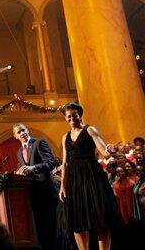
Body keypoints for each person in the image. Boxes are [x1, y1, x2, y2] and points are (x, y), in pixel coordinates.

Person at [58, 103, 121, 250]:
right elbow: (64, 162)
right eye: (69, 116)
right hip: (73, 181)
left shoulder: (90, 129)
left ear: (80, 115)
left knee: (101, 219)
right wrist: (62, 186)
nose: (72, 118)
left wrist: (110, 149)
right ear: (65, 119)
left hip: (92, 176)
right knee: (78, 221)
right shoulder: (64, 137)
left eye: (75, 115)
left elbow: (104, 151)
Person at [13, 123, 57, 250]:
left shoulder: (39, 143)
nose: (22, 133)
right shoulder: (19, 152)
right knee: (40, 229)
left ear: (27, 130)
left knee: (51, 228)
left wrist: (32, 168)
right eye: (18, 132)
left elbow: (50, 163)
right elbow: (23, 169)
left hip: (47, 192)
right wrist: (19, 172)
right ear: (15, 136)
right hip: (33, 194)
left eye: (23, 130)